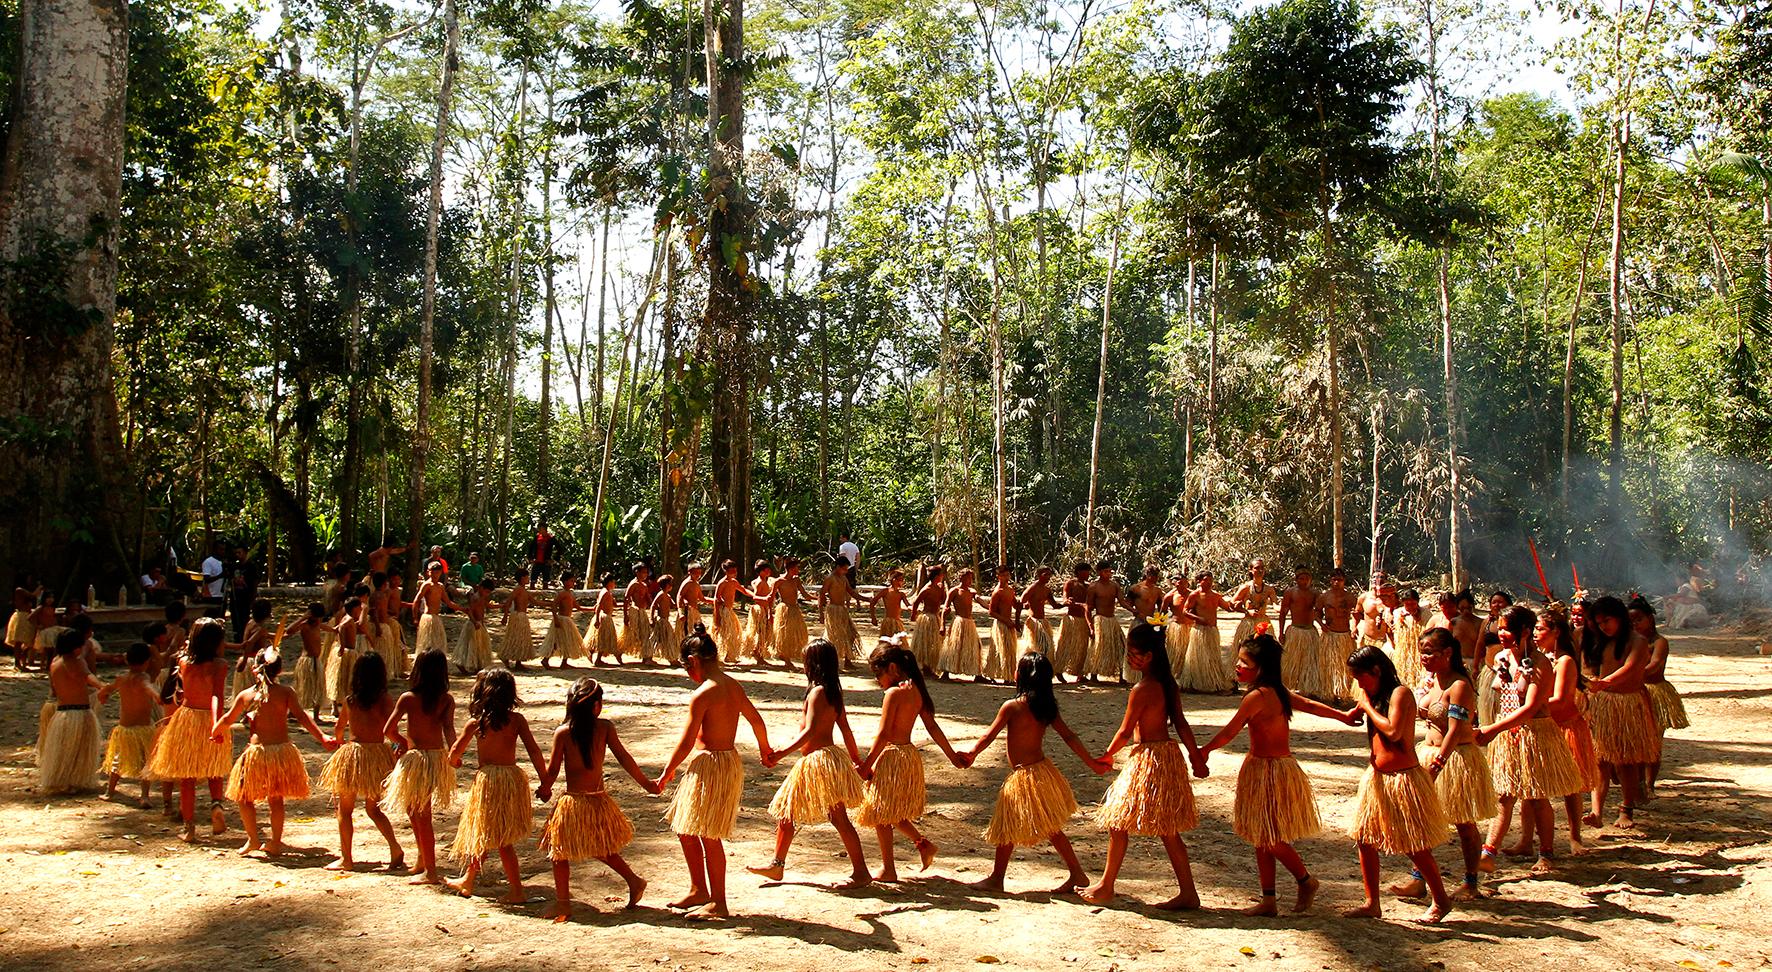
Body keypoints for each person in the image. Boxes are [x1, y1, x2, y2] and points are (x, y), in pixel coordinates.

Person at [1199, 633, 1344, 916]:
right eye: (1238, 661)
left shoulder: (1258, 696)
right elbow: (1311, 706)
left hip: (1270, 769)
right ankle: (1268, 899)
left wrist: (1205, 751)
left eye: (1244, 663)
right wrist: (1344, 716)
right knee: (1260, 834)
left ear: (1261, 668)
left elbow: (1230, 731)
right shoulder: (1278, 691)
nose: (1238, 667)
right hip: (1267, 767)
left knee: (1268, 835)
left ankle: (1305, 880)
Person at [1080, 623, 1209, 909]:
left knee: (1118, 821)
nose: (1130, 658)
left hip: (1149, 759)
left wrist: (1107, 755)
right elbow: (1181, 723)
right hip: (1166, 757)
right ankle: (1187, 892)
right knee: (1166, 828)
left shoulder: (1143, 688)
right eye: (1129, 652)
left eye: (1135, 653)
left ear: (1150, 655)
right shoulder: (1167, 683)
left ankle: (1106, 886)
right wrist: (1195, 756)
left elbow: (1126, 730)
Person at [653, 624, 775, 920]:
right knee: (685, 827)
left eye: (686, 669)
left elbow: (686, 741)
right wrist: (764, 749)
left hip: (712, 766)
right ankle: (699, 889)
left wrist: (668, 772)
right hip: (724, 763)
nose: (688, 675)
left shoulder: (703, 695)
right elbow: (756, 720)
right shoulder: (734, 685)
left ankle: (719, 902)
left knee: (709, 834)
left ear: (693, 662)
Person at [962, 651, 1109, 893]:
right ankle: (1076, 873)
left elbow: (989, 735)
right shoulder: (1046, 707)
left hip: (1025, 776)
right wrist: (1091, 762)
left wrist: (971, 754)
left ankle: (998, 879)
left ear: (1018, 675)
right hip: (1041, 772)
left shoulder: (1012, 707)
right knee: (1048, 826)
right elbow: (1069, 736)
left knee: (1008, 825)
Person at [1342, 644, 1453, 923]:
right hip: (1377, 778)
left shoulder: (1400, 694)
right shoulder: (1375, 695)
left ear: (1376, 671)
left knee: (1413, 844)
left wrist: (1366, 705)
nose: (1359, 684)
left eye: (1361, 678)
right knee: (1365, 839)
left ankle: (1441, 900)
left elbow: (1392, 731)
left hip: (1403, 778)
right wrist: (1358, 712)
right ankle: (1372, 903)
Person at [748, 639, 871, 888]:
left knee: (839, 818)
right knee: (788, 812)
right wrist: (857, 760)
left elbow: (811, 731)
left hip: (820, 762)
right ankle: (777, 865)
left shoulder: (817, 692)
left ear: (813, 664)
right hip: (823, 761)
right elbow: (845, 730)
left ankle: (861, 872)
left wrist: (781, 752)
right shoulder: (832, 692)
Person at [1474, 606, 1583, 879]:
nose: (1501, 634)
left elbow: (1532, 706)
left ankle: (1546, 853)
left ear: (1524, 631)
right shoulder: (1500, 658)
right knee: (1504, 795)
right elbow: (1502, 696)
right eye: (1498, 628)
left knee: (1536, 797)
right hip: (1509, 734)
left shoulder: (1540, 663)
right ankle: (1488, 853)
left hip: (1535, 733)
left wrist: (1492, 729)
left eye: (1506, 629)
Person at [537, 678, 657, 920]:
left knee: (559, 851)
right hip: (596, 800)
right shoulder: (604, 728)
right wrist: (647, 784)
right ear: (597, 706)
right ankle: (633, 880)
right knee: (600, 847)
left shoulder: (563, 733)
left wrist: (545, 790)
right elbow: (624, 758)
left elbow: (552, 772)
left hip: (574, 802)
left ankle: (563, 903)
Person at [1390, 627, 1495, 902]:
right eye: (1422, 652)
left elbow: (1455, 728)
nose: (1424, 658)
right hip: (1428, 752)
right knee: (1422, 818)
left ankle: (1470, 882)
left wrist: (1438, 763)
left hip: (1454, 758)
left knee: (1463, 822)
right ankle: (1417, 879)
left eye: (1429, 653)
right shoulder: (1433, 681)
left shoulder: (1459, 685)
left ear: (1447, 653)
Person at [857, 638, 969, 881]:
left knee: (880, 811)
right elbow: (932, 726)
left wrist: (867, 765)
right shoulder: (916, 691)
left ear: (892, 669)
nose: (878, 681)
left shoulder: (894, 694)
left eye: (878, 674)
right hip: (907, 756)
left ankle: (889, 868)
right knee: (886, 811)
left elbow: (884, 734)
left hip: (892, 758)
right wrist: (951, 756)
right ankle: (921, 844)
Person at [209, 647, 334, 856]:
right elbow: (302, 717)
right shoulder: (285, 692)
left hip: (259, 752)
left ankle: (254, 839)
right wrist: (321, 737)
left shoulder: (247, 695)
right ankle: (274, 841)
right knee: (274, 799)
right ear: (280, 669)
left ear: (254, 669)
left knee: (244, 797)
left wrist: (215, 731)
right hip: (280, 751)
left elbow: (227, 719)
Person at [445, 667, 546, 902]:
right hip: (510, 780)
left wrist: (455, 762)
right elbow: (533, 750)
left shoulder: (477, 723)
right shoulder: (516, 720)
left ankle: (517, 890)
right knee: (487, 832)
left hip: (489, 782)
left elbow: (453, 753)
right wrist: (545, 780)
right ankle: (468, 880)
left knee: (497, 837)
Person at [144, 619, 236, 841]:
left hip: (187, 719)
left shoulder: (184, 662)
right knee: (214, 769)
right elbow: (217, 696)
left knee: (187, 778)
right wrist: (217, 724)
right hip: (209, 719)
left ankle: (189, 828)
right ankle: (216, 805)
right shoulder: (220, 665)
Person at [318, 651, 404, 872]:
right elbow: (389, 728)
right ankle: (395, 848)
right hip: (377, 756)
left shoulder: (350, 700)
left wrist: (337, 742)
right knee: (373, 809)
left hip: (354, 757)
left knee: (344, 811)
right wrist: (399, 746)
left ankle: (346, 859)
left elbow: (339, 728)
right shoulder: (384, 699)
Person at [382, 648, 458, 885]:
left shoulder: (408, 698)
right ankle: (423, 860)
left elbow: (388, 731)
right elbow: (448, 729)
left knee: (422, 815)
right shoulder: (446, 699)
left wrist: (403, 743)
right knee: (414, 811)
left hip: (416, 760)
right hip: (434, 759)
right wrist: (454, 752)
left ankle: (432, 872)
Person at [1584, 595, 1659, 830]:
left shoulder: (1638, 641)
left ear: (1619, 618)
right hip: (1604, 704)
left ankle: (1626, 809)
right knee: (1600, 760)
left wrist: (1604, 682)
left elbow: (1631, 667)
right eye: (1599, 622)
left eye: (1607, 620)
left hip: (1628, 704)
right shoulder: (1602, 641)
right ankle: (1596, 811)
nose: (1603, 626)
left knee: (1626, 761)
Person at [39, 627, 105, 795]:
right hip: (79, 712)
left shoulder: (55, 661)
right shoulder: (76, 662)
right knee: (78, 749)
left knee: (65, 749)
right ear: (76, 647)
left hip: (62, 713)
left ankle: (63, 779)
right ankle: (74, 781)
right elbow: (88, 677)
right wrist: (103, 687)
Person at [1633, 597, 1688, 796]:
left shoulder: (1659, 642)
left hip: (1655, 693)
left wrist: (1630, 672)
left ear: (1650, 618)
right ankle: (1637, 782)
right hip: (1634, 694)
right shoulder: (1630, 642)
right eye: (1631, 621)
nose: (1635, 624)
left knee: (1654, 741)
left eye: (1639, 619)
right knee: (1636, 740)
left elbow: (1654, 666)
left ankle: (1649, 784)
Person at [98, 641, 163, 806]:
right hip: (143, 728)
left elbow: (108, 688)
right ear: (147, 662)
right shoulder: (144, 679)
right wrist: (158, 697)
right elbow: (149, 688)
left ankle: (109, 792)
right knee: (145, 761)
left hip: (125, 728)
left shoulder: (121, 679)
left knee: (117, 761)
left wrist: (103, 695)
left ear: (127, 660)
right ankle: (145, 796)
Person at [1277, 567, 1330, 699]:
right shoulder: (1290, 593)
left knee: (1310, 662)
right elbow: (1283, 613)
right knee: (1290, 661)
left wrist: (1324, 623)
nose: (1304, 581)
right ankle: (1286, 686)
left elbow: (1320, 611)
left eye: (1307, 578)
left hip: (1310, 631)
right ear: (1296, 580)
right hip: (1295, 631)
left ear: (1310, 580)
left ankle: (1309, 687)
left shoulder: (1315, 594)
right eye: (1301, 578)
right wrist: (1281, 632)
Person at [1181, 571, 1237, 694]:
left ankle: (1212, 681)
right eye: (1206, 579)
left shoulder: (1216, 596)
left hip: (1212, 631)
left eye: (1211, 579)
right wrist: (1198, 618)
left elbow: (1228, 608)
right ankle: (1194, 682)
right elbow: (1185, 611)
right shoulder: (1195, 595)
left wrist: (1235, 605)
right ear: (1199, 581)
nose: (1210, 582)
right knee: (1199, 658)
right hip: (1199, 631)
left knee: (1212, 657)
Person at [1316, 567, 1358, 699]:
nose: (1336, 582)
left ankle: (1342, 692)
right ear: (1330, 580)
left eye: (1339, 580)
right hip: (1329, 635)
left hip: (1344, 635)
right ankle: (1330, 692)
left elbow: (1358, 614)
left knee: (1344, 665)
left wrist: (1354, 627)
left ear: (1344, 581)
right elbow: (1316, 613)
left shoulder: (1350, 597)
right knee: (1329, 665)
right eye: (1334, 579)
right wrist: (1322, 625)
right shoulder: (1324, 596)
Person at [286, 603, 328, 724]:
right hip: (306, 661)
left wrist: (335, 630)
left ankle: (316, 716)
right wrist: (303, 617)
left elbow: (325, 627)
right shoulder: (304, 626)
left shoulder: (319, 625)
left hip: (316, 660)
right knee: (300, 687)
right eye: (318, 617)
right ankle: (291, 712)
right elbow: (289, 630)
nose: (319, 620)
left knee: (318, 687)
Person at [941, 568, 984, 681]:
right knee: (954, 646)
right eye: (968, 578)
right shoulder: (954, 591)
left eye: (971, 578)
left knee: (975, 646)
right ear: (961, 578)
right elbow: (945, 608)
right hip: (959, 622)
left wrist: (991, 607)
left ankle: (978, 674)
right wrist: (942, 624)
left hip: (969, 623)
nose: (970, 580)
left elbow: (981, 601)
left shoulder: (972, 592)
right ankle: (945, 673)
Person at [411, 560, 460, 658]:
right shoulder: (426, 585)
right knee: (427, 644)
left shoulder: (441, 586)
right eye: (433, 572)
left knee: (438, 644)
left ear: (441, 572)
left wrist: (462, 609)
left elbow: (448, 603)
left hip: (436, 618)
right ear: (428, 572)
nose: (435, 575)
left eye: (437, 572)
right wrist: (415, 618)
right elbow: (416, 601)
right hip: (428, 618)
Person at [820, 556, 863, 665]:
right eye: (845, 568)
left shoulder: (843, 578)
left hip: (843, 610)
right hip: (833, 610)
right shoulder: (830, 578)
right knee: (835, 637)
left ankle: (848, 660)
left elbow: (852, 592)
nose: (846, 571)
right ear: (838, 567)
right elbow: (821, 595)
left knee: (851, 634)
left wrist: (866, 599)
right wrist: (821, 614)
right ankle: (833, 663)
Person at [541, 571, 588, 669]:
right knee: (557, 641)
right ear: (565, 582)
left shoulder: (570, 594)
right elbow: (554, 605)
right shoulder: (562, 594)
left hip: (567, 620)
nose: (573, 583)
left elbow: (578, 607)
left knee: (567, 641)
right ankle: (546, 659)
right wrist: (556, 619)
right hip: (562, 620)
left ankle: (564, 662)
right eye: (571, 581)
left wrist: (593, 608)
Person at [908, 564, 948, 675]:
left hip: (936, 617)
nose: (942, 577)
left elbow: (943, 600)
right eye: (941, 575)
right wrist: (913, 615)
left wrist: (943, 589)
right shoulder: (927, 589)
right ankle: (925, 667)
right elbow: (916, 602)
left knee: (935, 642)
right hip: (927, 618)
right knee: (926, 642)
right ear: (936, 576)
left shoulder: (940, 587)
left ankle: (931, 666)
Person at [451, 579, 496, 675]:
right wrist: (474, 622)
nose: (487, 594)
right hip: (473, 625)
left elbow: (487, 606)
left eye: (489, 593)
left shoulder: (482, 597)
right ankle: (461, 665)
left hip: (480, 624)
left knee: (479, 646)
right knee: (469, 645)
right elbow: (470, 611)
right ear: (481, 588)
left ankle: (477, 666)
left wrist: (501, 606)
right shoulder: (475, 597)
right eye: (486, 591)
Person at [772, 560, 812, 667]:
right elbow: (771, 597)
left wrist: (817, 599)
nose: (798, 570)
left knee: (799, 632)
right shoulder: (779, 581)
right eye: (796, 568)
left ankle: (789, 655)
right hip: (784, 610)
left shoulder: (796, 580)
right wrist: (768, 612)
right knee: (785, 634)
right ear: (790, 569)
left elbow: (804, 594)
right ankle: (786, 659)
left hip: (795, 609)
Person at [1057, 562, 1093, 680]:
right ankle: (1059, 670)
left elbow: (1090, 604)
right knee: (1065, 645)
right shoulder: (1070, 583)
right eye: (1086, 571)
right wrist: (1070, 601)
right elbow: (1065, 598)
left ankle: (1079, 673)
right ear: (1079, 572)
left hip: (1084, 621)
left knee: (1082, 647)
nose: (1088, 574)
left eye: (1089, 571)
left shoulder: (1089, 586)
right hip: (1072, 619)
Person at [985, 565, 1021, 684]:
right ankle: (993, 673)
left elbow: (1015, 604)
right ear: (998, 577)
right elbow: (991, 611)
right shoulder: (997, 592)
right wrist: (1006, 621)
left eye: (1007, 575)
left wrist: (1022, 606)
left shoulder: (1010, 590)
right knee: (1000, 649)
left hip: (1009, 623)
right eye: (1003, 575)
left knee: (1009, 651)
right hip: (1001, 624)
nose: (1006, 577)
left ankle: (1008, 675)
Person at [1229, 560, 1275, 650]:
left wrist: (1282, 608)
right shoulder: (1245, 588)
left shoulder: (1269, 589)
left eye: (1262, 568)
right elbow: (1231, 604)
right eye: (1257, 568)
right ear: (1250, 570)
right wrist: (1246, 611)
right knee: (1247, 651)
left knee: (1265, 652)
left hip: (1263, 623)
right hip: (1248, 623)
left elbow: (1276, 604)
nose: (1260, 570)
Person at [1019, 566, 1060, 663]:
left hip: (1043, 622)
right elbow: (1021, 602)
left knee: (1046, 647)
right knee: (1041, 646)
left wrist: (1066, 603)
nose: (1048, 577)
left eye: (1049, 575)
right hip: (1034, 622)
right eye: (1045, 575)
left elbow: (1055, 605)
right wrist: (1017, 621)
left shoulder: (1047, 590)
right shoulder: (1032, 588)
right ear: (1038, 575)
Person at [498, 568, 537, 668]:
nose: (528, 579)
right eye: (527, 577)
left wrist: (551, 604)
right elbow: (508, 601)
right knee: (515, 638)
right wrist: (505, 616)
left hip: (522, 616)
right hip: (517, 616)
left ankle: (518, 662)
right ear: (522, 578)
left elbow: (535, 602)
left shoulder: (524, 590)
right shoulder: (518, 589)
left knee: (521, 639)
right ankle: (505, 656)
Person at [1390, 588, 1428, 688]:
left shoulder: (1425, 614)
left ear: (1418, 602)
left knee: (1419, 675)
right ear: (1403, 603)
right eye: (1407, 604)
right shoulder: (1397, 613)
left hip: (1418, 650)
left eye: (1413, 604)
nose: (1410, 607)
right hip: (1404, 651)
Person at [741, 560, 776, 663]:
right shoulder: (761, 582)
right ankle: (758, 654)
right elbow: (755, 598)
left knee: (762, 632)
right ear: (760, 571)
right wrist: (765, 599)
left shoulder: (758, 581)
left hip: (763, 610)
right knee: (761, 633)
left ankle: (757, 652)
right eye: (766, 570)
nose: (769, 571)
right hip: (760, 610)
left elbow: (753, 583)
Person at [713, 560, 748, 664]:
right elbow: (716, 598)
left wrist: (756, 596)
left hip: (729, 612)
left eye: (735, 570)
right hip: (723, 612)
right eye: (732, 570)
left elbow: (744, 590)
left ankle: (729, 656)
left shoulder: (734, 582)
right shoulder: (722, 582)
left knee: (732, 633)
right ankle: (717, 656)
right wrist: (717, 616)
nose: (735, 572)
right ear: (726, 571)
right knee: (722, 634)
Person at [585, 573, 623, 667]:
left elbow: (614, 605)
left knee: (601, 639)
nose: (615, 584)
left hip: (605, 617)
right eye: (614, 582)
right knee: (603, 639)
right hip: (604, 618)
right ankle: (596, 658)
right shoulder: (605, 592)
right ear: (609, 582)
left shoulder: (608, 592)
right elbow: (598, 606)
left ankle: (594, 655)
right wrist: (598, 620)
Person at [622, 563, 656, 665]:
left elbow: (648, 598)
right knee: (632, 635)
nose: (645, 574)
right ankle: (618, 652)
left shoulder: (644, 585)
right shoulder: (633, 584)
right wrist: (625, 615)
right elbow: (626, 599)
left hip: (642, 612)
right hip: (634, 612)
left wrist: (654, 607)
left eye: (646, 572)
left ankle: (647, 657)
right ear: (637, 572)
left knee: (646, 634)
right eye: (643, 572)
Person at [227, 545, 262, 640]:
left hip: (246, 596)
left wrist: (253, 596)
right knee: (235, 619)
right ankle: (237, 639)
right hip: (235, 596)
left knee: (244, 619)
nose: (237, 555)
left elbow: (255, 582)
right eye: (236, 553)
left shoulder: (251, 566)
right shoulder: (235, 566)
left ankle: (244, 639)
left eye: (240, 552)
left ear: (245, 553)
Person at [1163, 574, 1194, 674]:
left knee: (1190, 653)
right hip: (1176, 627)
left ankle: (1189, 675)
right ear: (1174, 584)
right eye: (1179, 583)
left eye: (1184, 583)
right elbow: (1162, 613)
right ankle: (1175, 674)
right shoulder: (1169, 596)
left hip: (1191, 628)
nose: (1182, 585)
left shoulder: (1193, 595)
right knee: (1176, 653)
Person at [868, 567, 907, 639]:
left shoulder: (901, 594)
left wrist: (913, 608)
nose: (903, 582)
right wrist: (873, 617)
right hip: (888, 622)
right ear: (894, 580)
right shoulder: (886, 591)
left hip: (898, 622)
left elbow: (908, 605)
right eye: (901, 580)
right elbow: (873, 602)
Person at [678, 563, 708, 636]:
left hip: (694, 612)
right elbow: (679, 596)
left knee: (697, 632)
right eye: (695, 573)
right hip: (687, 612)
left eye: (699, 573)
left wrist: (714, 600)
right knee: (687, 633)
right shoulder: (687, 583)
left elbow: (702, 598)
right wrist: (680, 613)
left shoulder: (696, 583)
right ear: (689, 572)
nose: (698, 575)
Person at [526, 523, 560, 587]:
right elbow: (531, 547)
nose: (539, 530)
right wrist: (530, 557)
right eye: (539, 529)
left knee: (545, 580)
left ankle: (545, 594)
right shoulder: (537, 537)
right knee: (533, 579)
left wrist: (554, 559)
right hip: (537, 561)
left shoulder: (551, 538)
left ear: (545, 529)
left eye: (541, 529)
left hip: (546, 562)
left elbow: (559, 549)